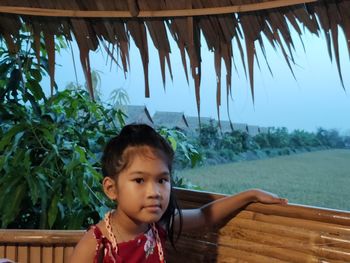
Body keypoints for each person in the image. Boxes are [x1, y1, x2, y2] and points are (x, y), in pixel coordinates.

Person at [69, 124, 288, 263]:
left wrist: (250, 194)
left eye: (162, 180)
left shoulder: (159, 227)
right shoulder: (96, 244)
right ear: (111, 189)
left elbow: (204, 215)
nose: (154, 192)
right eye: (139, 180)